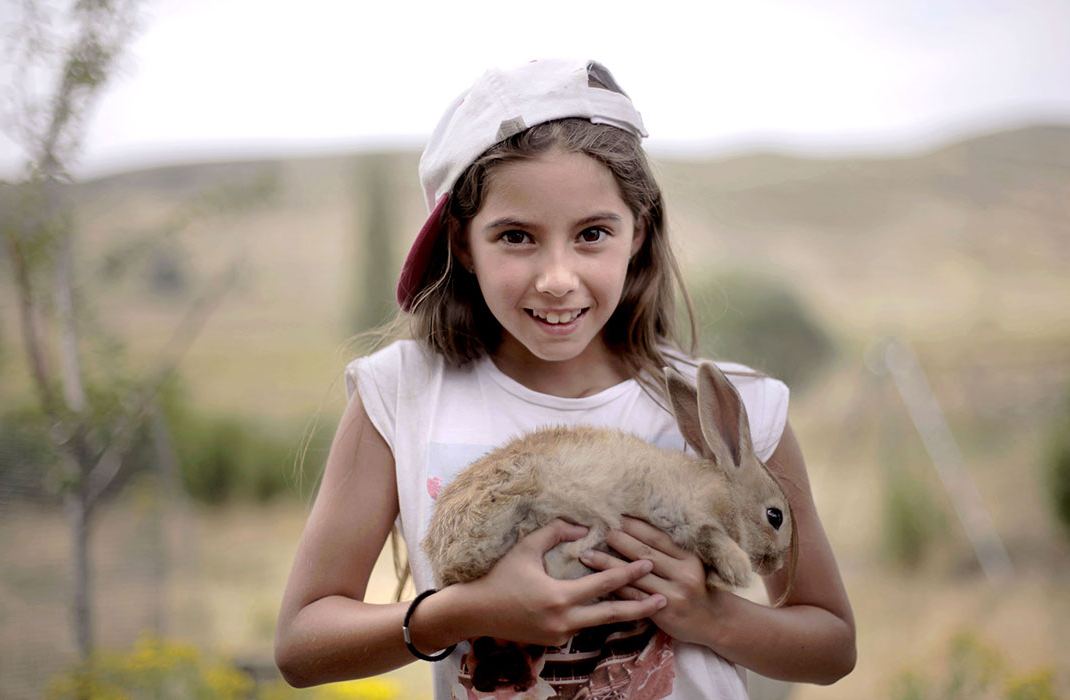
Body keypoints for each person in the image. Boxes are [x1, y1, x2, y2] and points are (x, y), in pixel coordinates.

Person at [275, 58, 855, 699]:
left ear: (639, 232)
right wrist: (464, 610)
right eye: (517, 236)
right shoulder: (401, 394)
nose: (557, 277)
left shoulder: (747, 407)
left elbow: (829, 645)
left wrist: (708, 614)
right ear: (463, 244)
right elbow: (302, 647)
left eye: (592, 234)